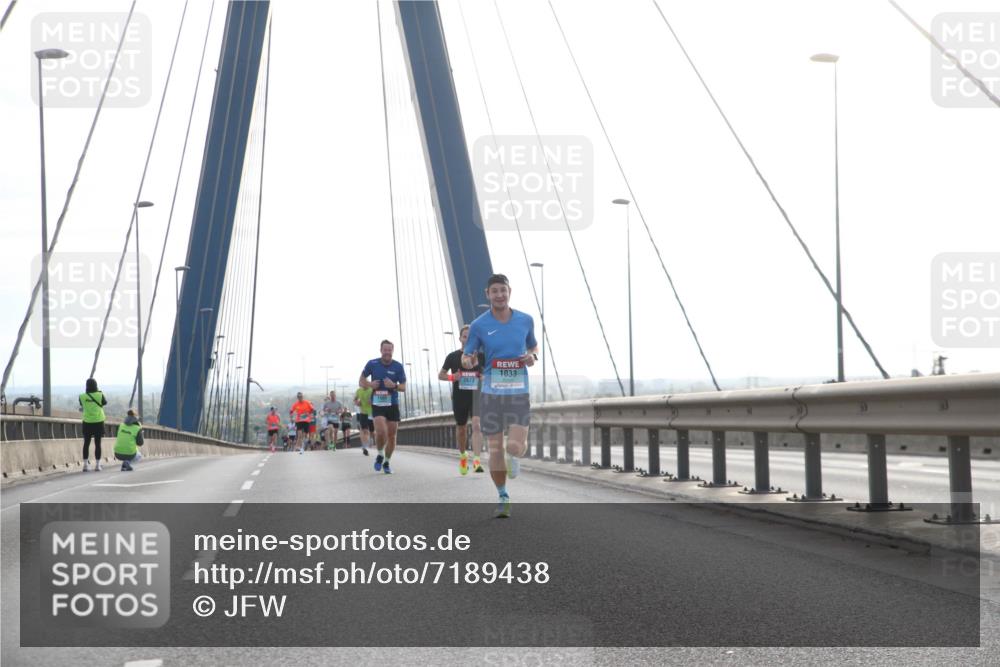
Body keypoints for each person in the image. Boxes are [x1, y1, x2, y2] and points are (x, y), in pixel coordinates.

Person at [463, 274, 538, 518]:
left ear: (509, 291)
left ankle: (513, 456)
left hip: (518, 392)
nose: (499, 295)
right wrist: (469, 360)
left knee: (515, 445)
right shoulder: (478, 325)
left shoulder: (525, 320)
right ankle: (503, 495)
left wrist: (532, 356)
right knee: (495, 449)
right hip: (491, 395)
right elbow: (467, 355)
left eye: (503, 290)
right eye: (494, 291)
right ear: (488, 294)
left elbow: (533, 346)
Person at [440, 326, 484, 475]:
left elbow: (488, 377)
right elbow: (441, 375)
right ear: (460, 339)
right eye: (465, 336)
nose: (467, 339)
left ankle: (477, 460)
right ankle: (463, 456)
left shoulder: (481, 356)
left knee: (477, 425)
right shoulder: (452, 356)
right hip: (460, 397)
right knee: (462, 429)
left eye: (470, 337)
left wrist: (481, 375)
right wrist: (453, 377)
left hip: (476, 396)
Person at [359, 340, 407, 474]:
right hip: (378, 403)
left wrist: (395, 386)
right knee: (381, 431)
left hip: (393, 403)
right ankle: (380, 453)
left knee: (392, 436)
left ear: (393, 350)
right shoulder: (372, 364)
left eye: (389, 350)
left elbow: (404, 387)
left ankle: (386, 461)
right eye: (385, 350)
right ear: (381, 350)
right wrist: (369, 385)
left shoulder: (398, 366)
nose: (387, 352)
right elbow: (361, 380)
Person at [79, 378, 108, 472]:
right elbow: (105, 403)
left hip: (87, 422)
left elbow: (81, 404)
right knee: (97, 444)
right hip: (98, 422)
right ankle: (97, 465)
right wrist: (99, 392)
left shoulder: (82, 396)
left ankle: (85, 465)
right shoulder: (100, 395)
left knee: (86, 443)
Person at [354, 384, 373, 456]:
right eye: (360, 383)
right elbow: (355, 400)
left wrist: (372, 401)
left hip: (372, 413)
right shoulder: (359, 391)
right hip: (362, 413)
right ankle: (365, 446)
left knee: (371, 431)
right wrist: (357, 403)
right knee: (364, 430)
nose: (361, 385)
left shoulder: (372, 389)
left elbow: (378, 399)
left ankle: (370, 440)